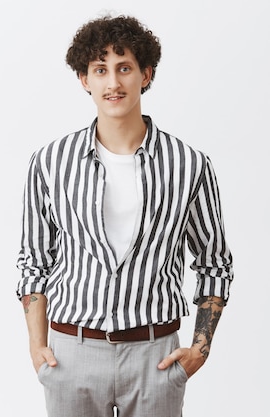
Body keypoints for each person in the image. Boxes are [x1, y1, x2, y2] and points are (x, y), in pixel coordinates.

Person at [15, 14, 233, 417]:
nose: (113, 83)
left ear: (145, 74)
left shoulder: (189, 165)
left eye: (124, 68)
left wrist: (200, 349)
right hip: (70, 355)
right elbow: (34, 260)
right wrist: (36, 345)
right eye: (100, 70)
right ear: (85, 79)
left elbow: (214, 263)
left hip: (155, 358)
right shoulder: (50, 162)